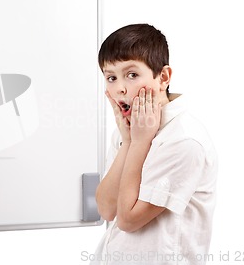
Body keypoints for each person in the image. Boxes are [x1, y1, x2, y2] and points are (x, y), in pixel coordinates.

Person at [91, 24, 217, 265]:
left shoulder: (184, 140)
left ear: (163, 77)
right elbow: (107, 209)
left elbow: (128, 220)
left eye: (132, 75)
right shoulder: (127, 132)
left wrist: (139, 143)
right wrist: (128, 142)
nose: (120, 88)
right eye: (111, 78)